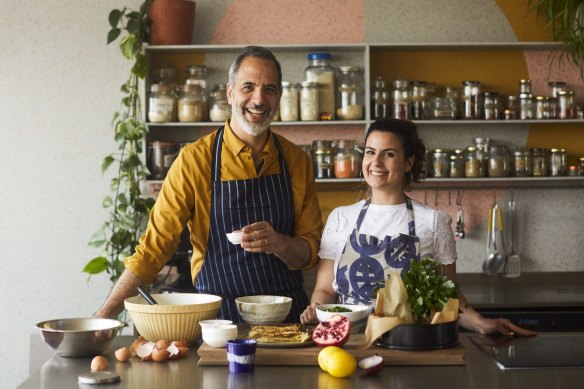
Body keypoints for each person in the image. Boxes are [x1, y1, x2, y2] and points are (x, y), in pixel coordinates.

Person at [95, 46, 323, 323]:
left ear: (279, 97)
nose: (259, 99)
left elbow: (310, 253)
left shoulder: (297, 161)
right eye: (248, 87)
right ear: (229, 93)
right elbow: (153, 251)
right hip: (218, 318)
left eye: (270, 89)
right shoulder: (195, 160)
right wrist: (104, 319)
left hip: (287, 317)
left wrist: (279, 243)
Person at [300, 118, 536, 336]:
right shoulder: (341, 218)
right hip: (347, 340)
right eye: (370, 152)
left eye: (388, 154)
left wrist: (481, 323)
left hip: (409, 342)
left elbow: (447, 295)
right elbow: (325, 290)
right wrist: (315, 308)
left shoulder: (433, 222)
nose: (376, 162)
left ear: (408, 163)